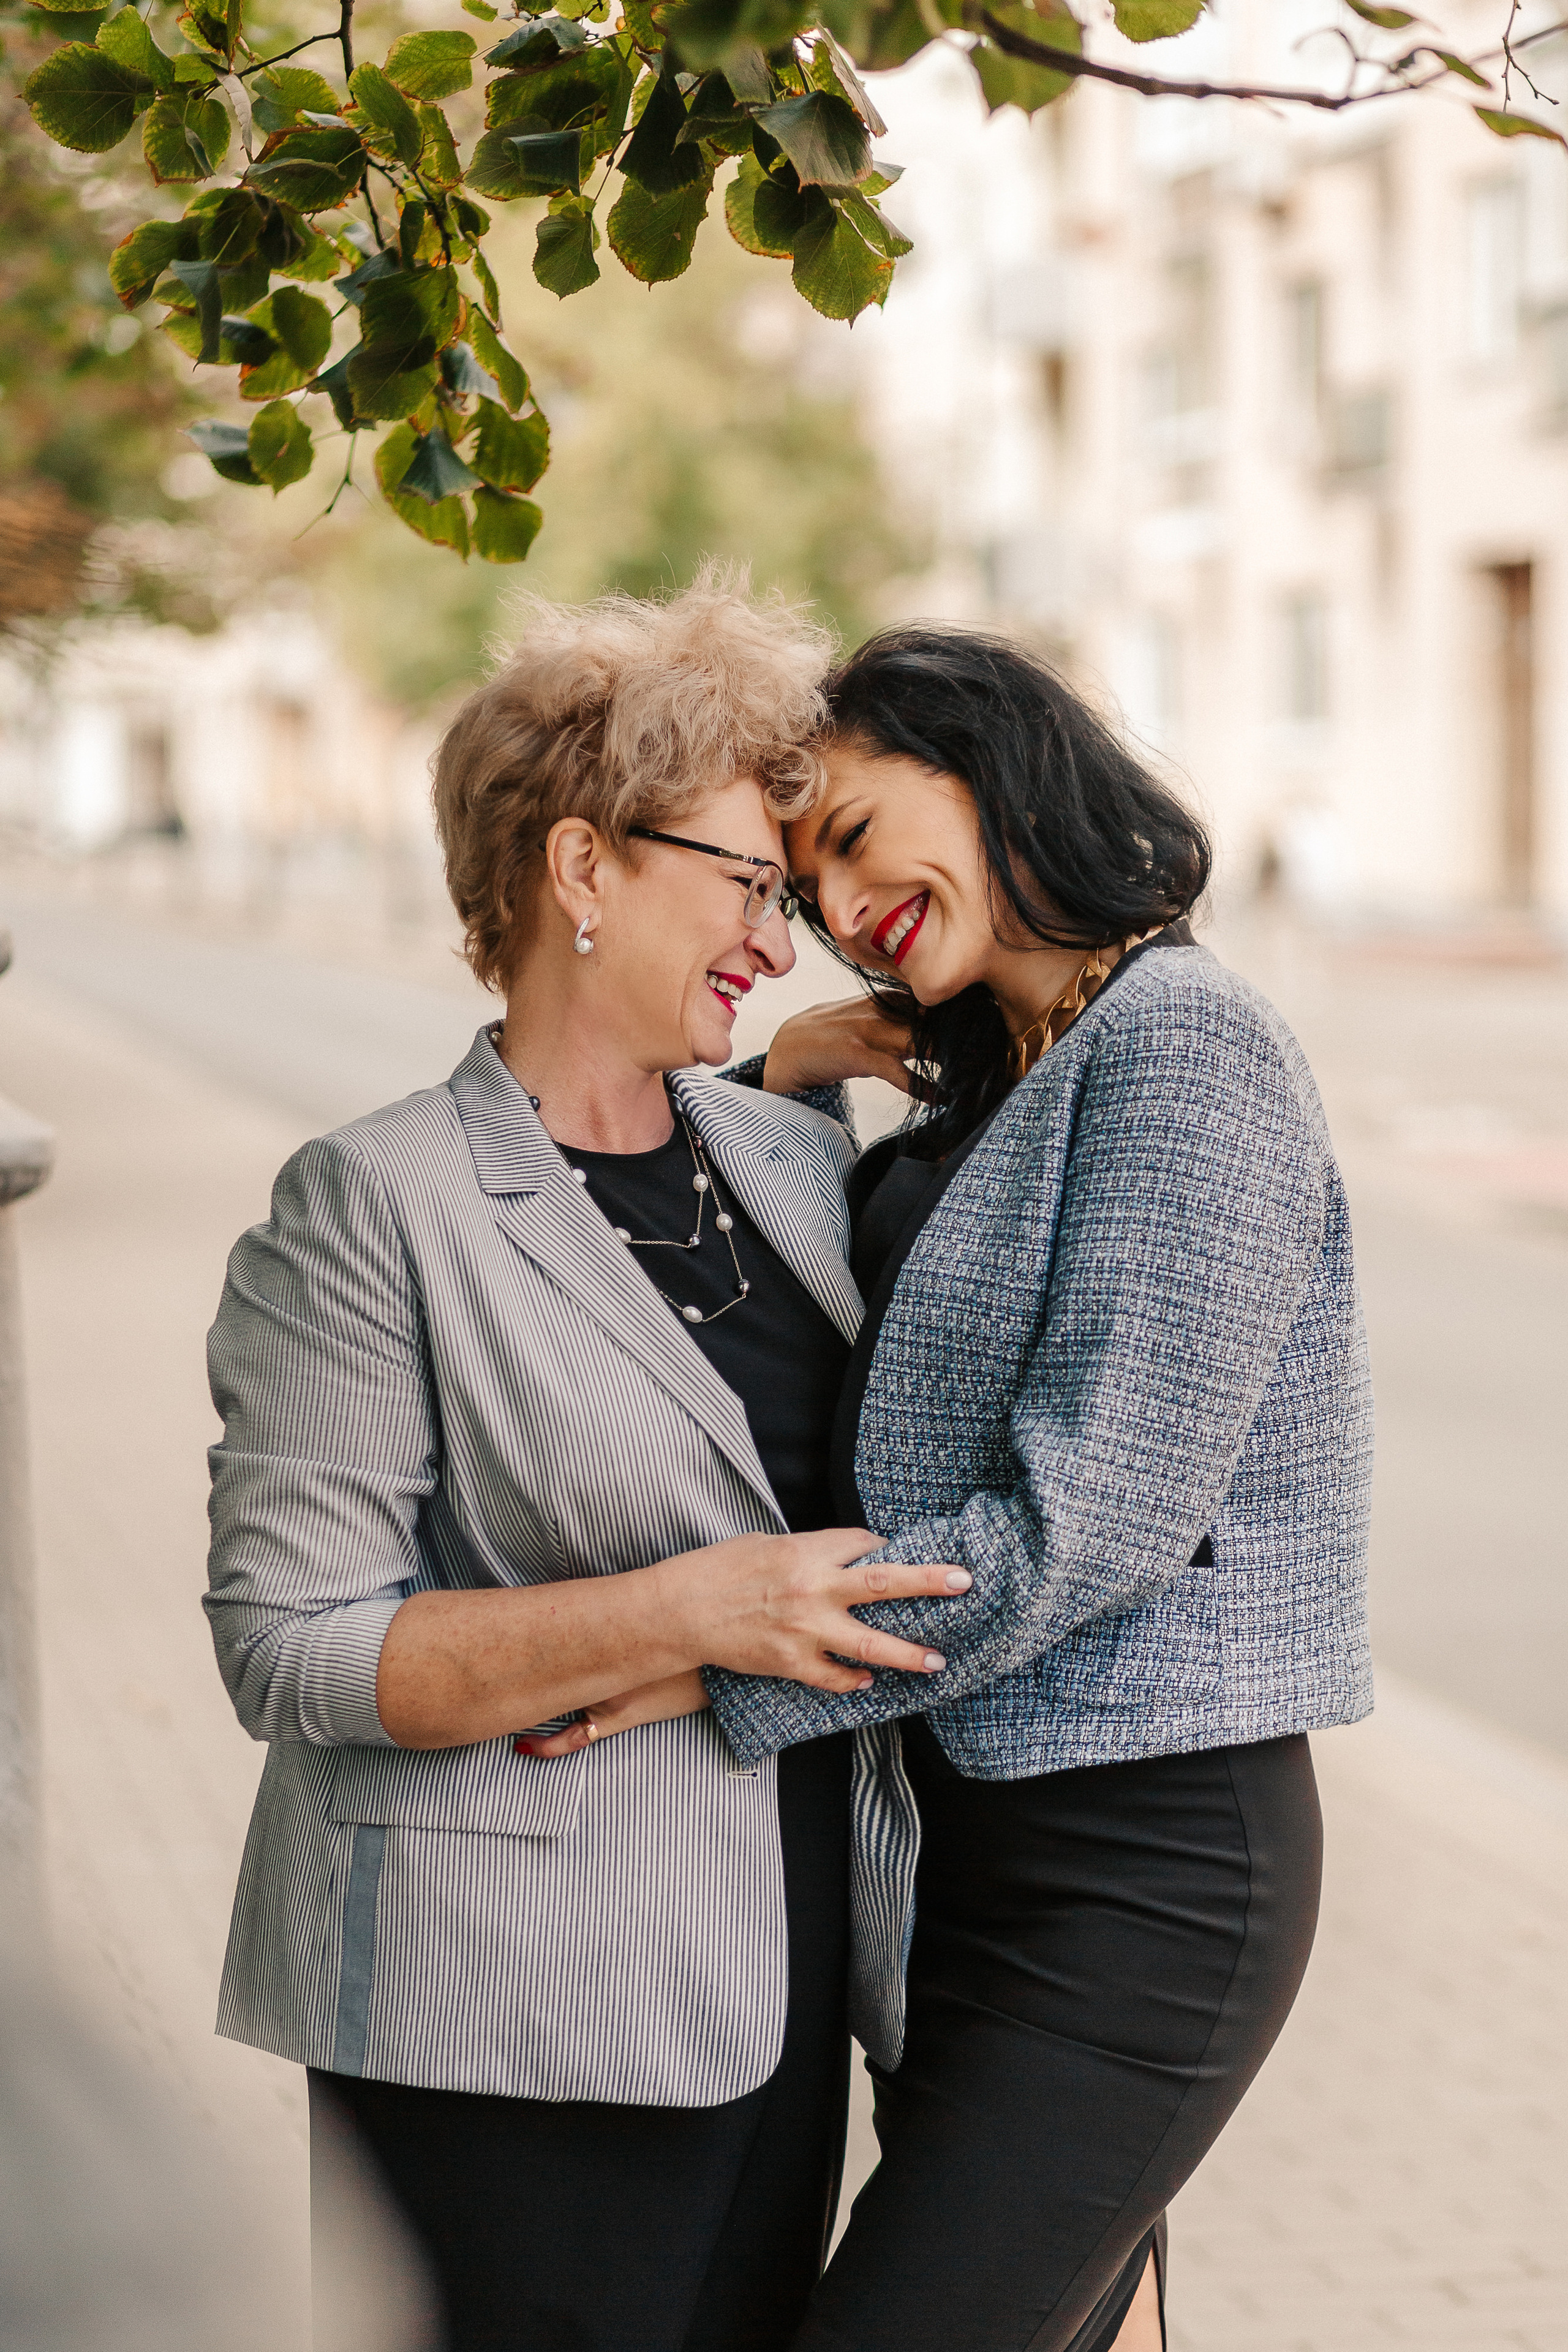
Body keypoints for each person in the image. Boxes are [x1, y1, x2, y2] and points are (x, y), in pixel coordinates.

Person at [548, 625, 1374, 2352]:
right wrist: (785, 1081)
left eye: (855, 837)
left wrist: (722, 1659)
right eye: (804, 876)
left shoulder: (1183, 1044)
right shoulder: (1007, 1070)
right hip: (961, 1864)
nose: (842, 909)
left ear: (992, 761)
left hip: (1143, 1869)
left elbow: (1098, 1519)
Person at [201, 579, 967, 2352]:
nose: (783, 941)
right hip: (501, 2020)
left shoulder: (781, 1162)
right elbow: (294, 1646)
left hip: (778, 1977)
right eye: (749, 886)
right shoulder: (371, 1205)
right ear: (582, 867)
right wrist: (691, 1613)